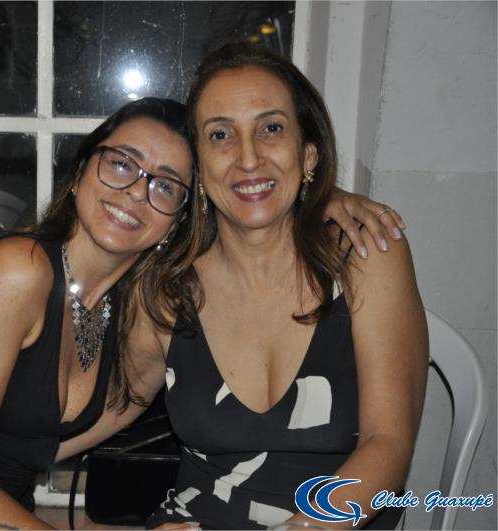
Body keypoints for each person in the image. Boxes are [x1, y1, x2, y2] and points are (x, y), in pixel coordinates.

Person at [0, 96, 400, 530]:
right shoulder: (18, 270)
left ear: (177, 219)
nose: (135, 192)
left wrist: (316, 199)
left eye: (165, 184)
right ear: (81, 172)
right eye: (121, 163)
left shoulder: (140, 313)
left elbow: (246, 223)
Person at [137, 43, 428, 530]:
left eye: (270, 128)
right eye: (221, 135)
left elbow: (390, 445)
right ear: (200, 167)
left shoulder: (366, 255)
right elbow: (87, 411)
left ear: (308, 152)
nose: (248, 157)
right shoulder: (169, 288)